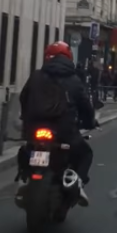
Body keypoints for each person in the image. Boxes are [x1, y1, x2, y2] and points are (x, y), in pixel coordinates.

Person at [18, 41, 96, 206]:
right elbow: (85, 105)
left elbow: (23, 98)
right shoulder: (74, 80)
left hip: (35, 129)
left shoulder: (36, 76)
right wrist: (90, 122)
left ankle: (24, 177)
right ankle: (78, 183)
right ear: (69, 58)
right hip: (63, 131)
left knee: (26, 149)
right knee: (86, 153)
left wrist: (25, 118)